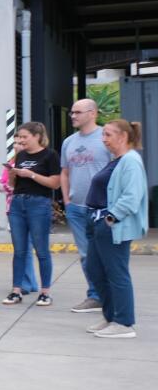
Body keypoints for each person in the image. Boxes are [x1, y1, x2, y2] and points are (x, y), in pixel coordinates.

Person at [83, 119, 149, 339]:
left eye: (108, 135)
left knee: (116, 273)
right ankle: (111, 317)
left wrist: (111, 218)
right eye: (104, 135)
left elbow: (132, 195)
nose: (104, 139)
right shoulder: (117, 160)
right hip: (98, 223)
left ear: (122, 137)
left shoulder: (130, 161)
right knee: (94, 269)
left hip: (111, 225)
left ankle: (123, 322)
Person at [1, 122, 60, 307]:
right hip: (18, 202)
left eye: (24, 137)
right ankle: (16, 290)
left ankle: (45, 292)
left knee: (41, 250)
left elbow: (55, 183)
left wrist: (31, 174)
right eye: (18, 137)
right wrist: (12, 173)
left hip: (38, 203)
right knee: (19, 251)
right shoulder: (21, 155)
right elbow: (12, 185)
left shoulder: (50, 155)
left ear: (37, 136)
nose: (20, 140)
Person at [61, 99, 111, 313]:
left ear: (92, 113)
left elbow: (116, 170)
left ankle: (110, 296)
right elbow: (65, 172)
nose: (73, 116)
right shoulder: (68, 142)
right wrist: (67, 200)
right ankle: (95, 295)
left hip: (102, 208)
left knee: (105, 254)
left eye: (77, 112)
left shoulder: (105, 139)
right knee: (86, 255)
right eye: (72, 112)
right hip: (76, 208)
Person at [0, 131, 38, 295]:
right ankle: (30, 282)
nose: (17, 145)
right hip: (12, 209)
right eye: (15, 142)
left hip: (29, 208)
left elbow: (9, 186)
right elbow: (2, 184)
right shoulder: (12, 162)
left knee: (24, 249)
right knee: (23, 248)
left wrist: (10, 185)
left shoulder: (32, 162)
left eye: (20, 142)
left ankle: (26, 283)